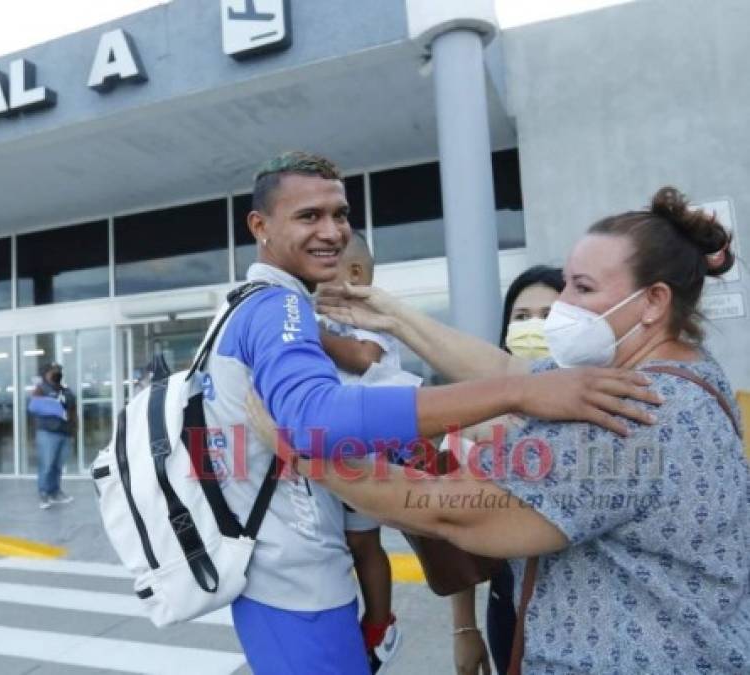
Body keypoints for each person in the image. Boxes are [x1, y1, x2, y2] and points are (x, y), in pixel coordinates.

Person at [204, 150, 658, 674]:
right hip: (294, 575)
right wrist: (517, 396)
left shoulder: (264, 305)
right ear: (259, 225)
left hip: (283, 568)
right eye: (309, 216)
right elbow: (317, 421)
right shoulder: (276, 305)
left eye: (340, 214)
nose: (332, 231)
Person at [291, 186, 749, 673]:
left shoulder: (632, 415)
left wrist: (304, 447)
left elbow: (455, 512)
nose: (563, 303)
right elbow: (510, 374)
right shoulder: (678, 374)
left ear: (654, 300)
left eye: (583, 288)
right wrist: (391, 316)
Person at [452, 265, 564, 675]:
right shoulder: (478, 416)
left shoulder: (603, 402)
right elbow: (452, 524)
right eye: (521, 317)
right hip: (510, 612)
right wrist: (463, 626)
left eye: (548, 315)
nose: (533, 327)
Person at [320, 232, 411, 672]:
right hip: (333, 455)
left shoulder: (370, 319)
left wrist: (311, 332)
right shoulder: (334, 324)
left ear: (354, 274)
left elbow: (363, 358)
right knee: (339, 542)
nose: (313, 281)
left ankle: (379, 620)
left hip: (364, 458)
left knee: (364, 542)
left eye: (323, 268)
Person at [28, 362, 76, 510]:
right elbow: (34, 407)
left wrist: (74, 429)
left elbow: (73, 410)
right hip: (48, 433)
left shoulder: (66, 390)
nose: (57, 373)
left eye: (59, 370)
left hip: (65, 432)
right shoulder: (40, 389)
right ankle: (44, 493)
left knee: (58, 465)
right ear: (46, 373)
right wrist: (54, 408)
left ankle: (55, 491)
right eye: (54, 371)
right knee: (47, 465)